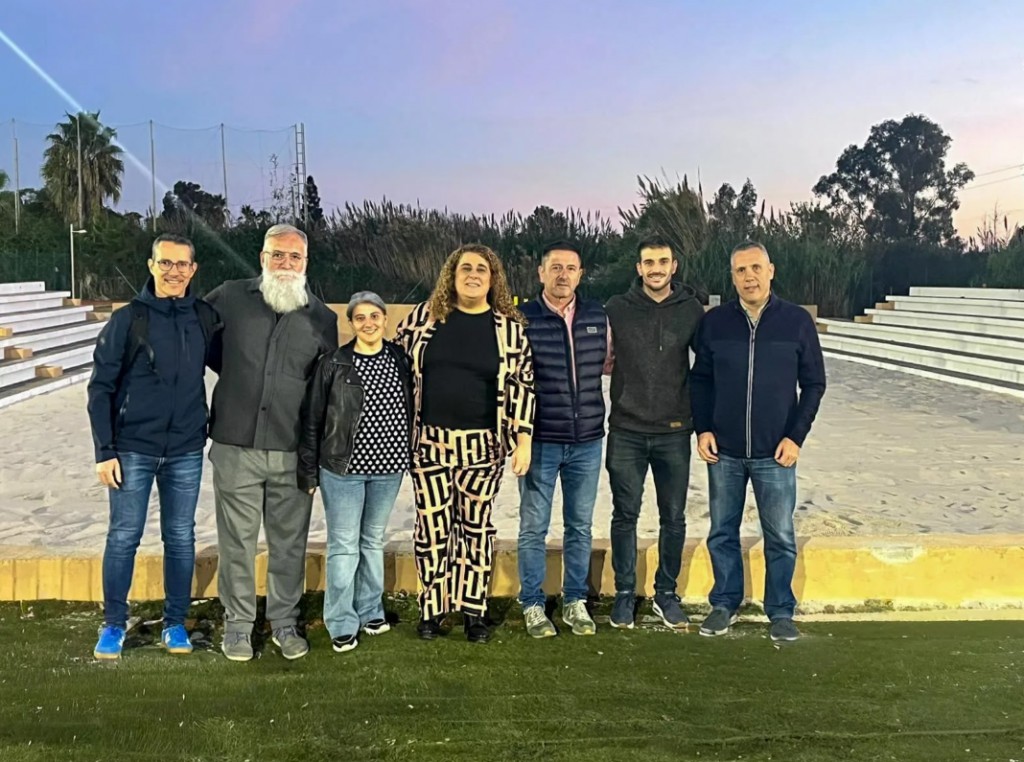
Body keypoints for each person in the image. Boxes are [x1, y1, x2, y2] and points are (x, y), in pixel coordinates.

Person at [204, 224, 338, 662]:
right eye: (277, 255)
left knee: (289, 544)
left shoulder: (322, 318)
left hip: (291, 450)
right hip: (235, 444)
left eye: (294, 257)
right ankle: (239, 626)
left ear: (306, 263)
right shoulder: (228, 298)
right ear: (262, 257)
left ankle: (284, 621)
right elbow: (204, 349)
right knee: (236, 544)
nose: (285, 264)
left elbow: (323, 390)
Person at [86, 233, 220, 660]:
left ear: (193, 270)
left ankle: (175, 623)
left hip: (185, 448)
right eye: (166, 263)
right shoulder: (128, 319)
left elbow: (233, 368)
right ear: (151, 266)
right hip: (132, 449)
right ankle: (112, 624)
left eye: (182, 264)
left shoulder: (203, 316)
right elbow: (100, 388)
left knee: (180, 537)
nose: (174, 271)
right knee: (124, 536)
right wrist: (104, 450)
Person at [394, 243, 536, 644]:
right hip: (428, 445)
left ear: (493, 280)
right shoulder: (423, 319)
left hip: (484, 447)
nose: (473, 275)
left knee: (475, 528)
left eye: (482, 270)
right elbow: (398, 370)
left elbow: (523, 384)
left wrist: (522, 439)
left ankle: (474, 609)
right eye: (465, 268)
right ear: (451, 276)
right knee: (432, 528)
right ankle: (433, 608)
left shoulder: (509, 328)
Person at [690, 240, 826, 642]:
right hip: (725, 452)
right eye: (740, 271)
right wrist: (704, 429)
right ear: (731, 276)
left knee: (780, 535)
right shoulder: (714, 323)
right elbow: (700, 380)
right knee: (722, 531)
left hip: (776, 453)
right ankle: (725, 603)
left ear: (771, 270)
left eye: (755, 268)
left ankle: (780, 610)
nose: (749, 277)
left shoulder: (797, 321)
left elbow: (815, 384)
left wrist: (795, 437)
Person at [297, 292, 413, 654]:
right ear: (351, 323)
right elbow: (313, 418)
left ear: (384, 319)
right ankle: (341, 620)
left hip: (389, 467)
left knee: (372, 541)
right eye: (360, 317)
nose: (368, 323)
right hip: (342, 468)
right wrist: (309, 469)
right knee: (345, 546)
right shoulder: (334, 363)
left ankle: (370, 610)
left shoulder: (399, 358)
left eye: (374, 316)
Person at [604, 238, 705, 630]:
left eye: (663, 261)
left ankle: (666, 593)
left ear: (674, 266)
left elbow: (708, 365)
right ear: (639, 267)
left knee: (673, 517)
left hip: (674, 431)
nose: (656, 268)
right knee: (624, 515)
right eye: (649, 262)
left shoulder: (691, 310)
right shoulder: (616, 309)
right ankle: (625, 593)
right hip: (626, 430)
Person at [517, 241, 607, 638]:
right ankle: (533, 604)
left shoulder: (597, 316)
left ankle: (574, 601)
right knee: (533, 527)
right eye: (555, 267)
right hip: (540, 441)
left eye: (570, 268)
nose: (562, 274)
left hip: (587, 440)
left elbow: (609, 364)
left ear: (580, 274)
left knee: (580, 526)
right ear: (541, 273)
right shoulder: (523, 318)